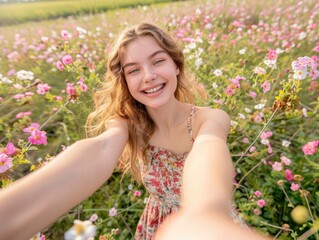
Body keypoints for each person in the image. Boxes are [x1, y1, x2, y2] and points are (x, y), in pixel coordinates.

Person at [0, 22, 270, 240]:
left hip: (207, 227)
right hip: (156, 226)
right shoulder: (126, 124)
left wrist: (205, 212)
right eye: (134, 70)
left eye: (157, 61)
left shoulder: (208, 119)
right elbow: (101, 149)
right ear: (126, 81)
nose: (148, 76)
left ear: (176, 65)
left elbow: (207, 151)